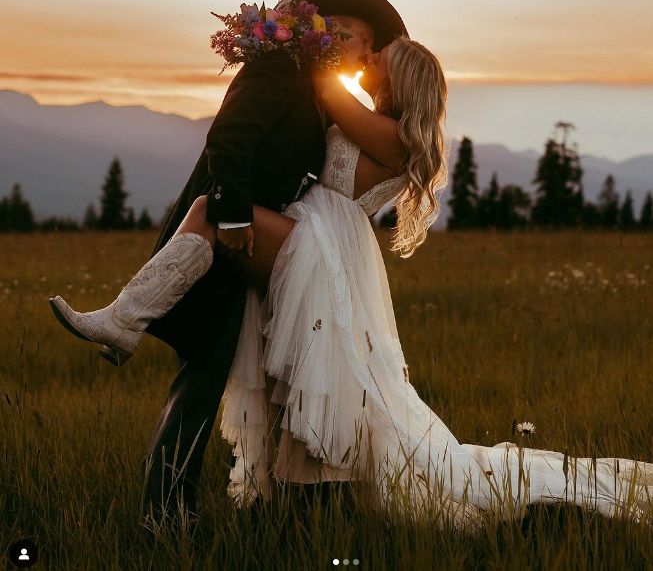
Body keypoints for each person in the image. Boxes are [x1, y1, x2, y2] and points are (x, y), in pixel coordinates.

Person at [209, 37, 653, 529]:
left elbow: (324, 88)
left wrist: (286, 37)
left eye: (382, 56)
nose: (371, 56)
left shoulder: (391, 135)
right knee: (319, 369)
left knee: (328, 371)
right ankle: (301, 500)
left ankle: (313, 506)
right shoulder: (381, 125)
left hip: (328, 245)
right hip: (322, 244)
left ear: (402, 80)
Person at [48, 0, 408, 531]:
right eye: (346, 33)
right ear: (317, 29)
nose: (356, 48)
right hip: (224, 239)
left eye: (359, 41)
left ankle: (195, 507)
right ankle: (166, 513)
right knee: (201, 377)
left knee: (216, 377)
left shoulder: (316, 88)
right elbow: (230, 140)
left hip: (253, 250)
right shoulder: (276, 70)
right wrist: (237, 215)